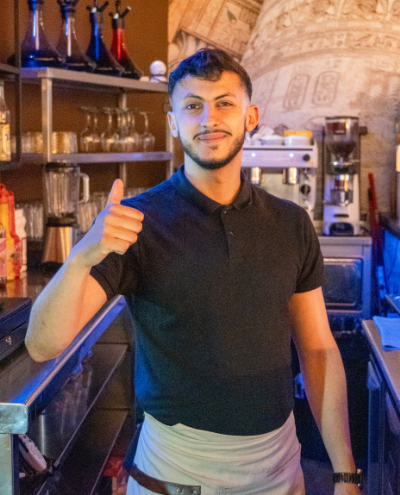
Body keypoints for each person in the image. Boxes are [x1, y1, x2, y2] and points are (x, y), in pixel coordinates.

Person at [25, 49, 362, 495]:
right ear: (173, 122)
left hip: (280, 470)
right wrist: (80, 258)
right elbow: (42, 345)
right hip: (174, 474)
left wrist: (345, 473)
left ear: (250, 116)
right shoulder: (137, 221)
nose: (209, 118)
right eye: (192, 106)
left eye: (224, 103)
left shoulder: (290, 223)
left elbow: (317, 350)